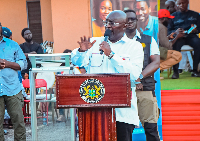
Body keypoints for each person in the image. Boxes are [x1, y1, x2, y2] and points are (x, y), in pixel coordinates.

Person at [72, 10, 144, 141]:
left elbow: (133, 75)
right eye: (107, 22)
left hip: (122, 113)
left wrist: (111, 55)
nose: (108, 26)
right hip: (95, 110)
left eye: (113, 23)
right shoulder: (94, 43)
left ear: (125, 25)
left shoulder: (135, 47)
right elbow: (77, 62)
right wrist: (82, 51)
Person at [124, 9, 160, 141]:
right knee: (124, 130)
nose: (129, 22)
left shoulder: (149, 40)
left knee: (151, 128)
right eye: (126, 19)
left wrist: (138, 77)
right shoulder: (116, 43)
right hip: (124, 91)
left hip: (144, 89)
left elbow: (155, 63)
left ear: (137, 20)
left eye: (132, 19)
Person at [0, 22, 27, 140]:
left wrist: (8, 64)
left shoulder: (12, 44)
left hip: (13, 89)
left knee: (19, 122)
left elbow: (24, 63)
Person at [168, 0, 200, 78]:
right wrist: (175, 32)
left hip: (191, 36)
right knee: (175, 45)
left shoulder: (195, 15)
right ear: (176, 5)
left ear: (187, 3)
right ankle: (176, 71)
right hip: (179, 37)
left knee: (198, 43)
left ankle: (195, 70)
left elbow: (199, 28)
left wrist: (195, 30)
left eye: (183, 3)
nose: (181, 5)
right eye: (179, 3)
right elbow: (169, 30)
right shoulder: (172, 16)